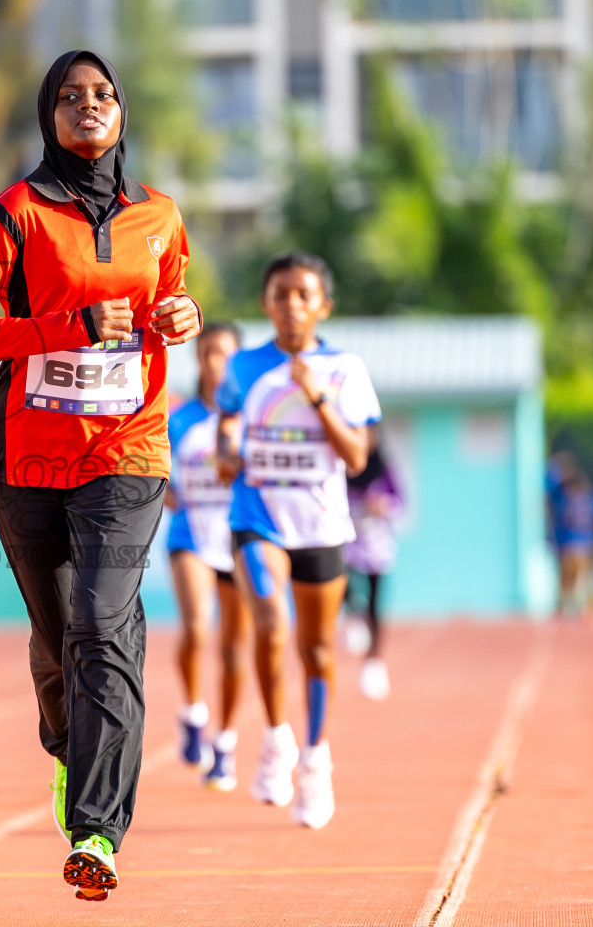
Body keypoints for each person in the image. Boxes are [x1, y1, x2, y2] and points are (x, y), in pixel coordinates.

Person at [0, 49, 201, 901]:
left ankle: (97, 830)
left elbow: (174, 297)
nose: (90, 106)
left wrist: (183, 314)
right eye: (71, 97)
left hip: (128, 449)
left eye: (104, 94)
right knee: (59, 642)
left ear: (123, 113)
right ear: (48, 114)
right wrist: (65, 324)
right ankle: (67, 750)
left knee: (101, 619)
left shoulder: (159, 215)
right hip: (27, 454)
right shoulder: (14, 215)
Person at [215, 252, 380, 830]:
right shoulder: (242, 367)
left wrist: (315, 397)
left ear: (323, 306)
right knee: (270, 623)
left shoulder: (345, 369)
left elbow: (357, 457)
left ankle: (315, 760)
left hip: (321, 527)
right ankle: (277, 738)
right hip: (257, 516)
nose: (291, 305)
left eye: (303, 295)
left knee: (316, 650)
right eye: (280, 294)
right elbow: (227, 430)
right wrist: (227, 450)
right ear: (265, 303)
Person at [165, 322, 252, 789]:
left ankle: (226, 742)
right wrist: (167, 494)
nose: (217, 362)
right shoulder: (180, 417)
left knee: (235, 646)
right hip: (191, 535)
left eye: (226, 353)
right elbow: (153, 471)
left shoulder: (249, 416)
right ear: (198, 359)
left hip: (239, 536)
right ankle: (193, 711)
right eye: (209, 352)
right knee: (197, 627)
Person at [344, 431, 403, 701]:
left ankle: (374, 662)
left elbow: (401, 503)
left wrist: (383, 506)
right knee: (343, 581)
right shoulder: (343, 466)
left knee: (376, 604)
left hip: (377, 546)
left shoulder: (385, 470)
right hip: (349, 543)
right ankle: (353, 610)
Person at [553, 463, 593, 617]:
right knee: (586, 580)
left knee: (568, 582)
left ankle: (568, 611)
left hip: (571, 544)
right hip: (588, 544)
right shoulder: (590, 499)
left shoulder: (566, 500)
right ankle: (586, 609)